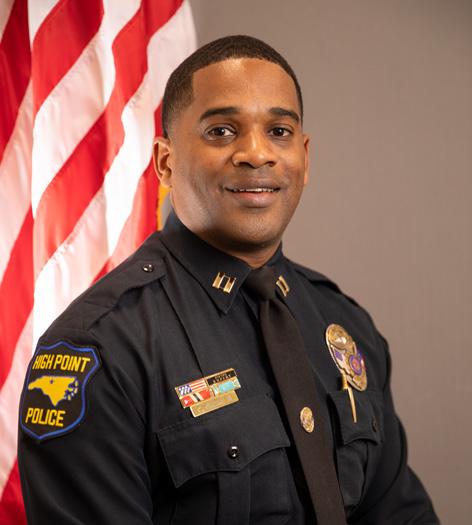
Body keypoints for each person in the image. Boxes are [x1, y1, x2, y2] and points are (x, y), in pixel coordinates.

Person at [18, 35, 439, 524]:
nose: (256, 154)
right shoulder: (102, 348)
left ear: (304, 158)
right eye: (221, 131)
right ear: (165, 162)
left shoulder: (344, 323)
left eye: (279, 131)